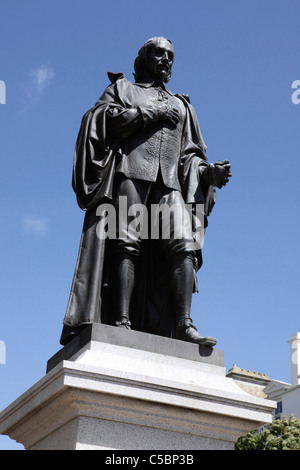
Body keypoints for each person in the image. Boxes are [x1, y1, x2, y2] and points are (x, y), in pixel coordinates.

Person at [60, 37, 231, 347]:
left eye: (170, 55)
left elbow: (190, 154)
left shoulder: (183, 105)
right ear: (143, 58)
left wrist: (208, 174)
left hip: (170, 184)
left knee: (184, 245)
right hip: (130, 173)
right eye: (158, 53)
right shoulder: (123, 89)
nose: (165, 59)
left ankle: (184, 324)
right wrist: (147, 114)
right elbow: (99, 120)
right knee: (125, 244)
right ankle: (121, 321)